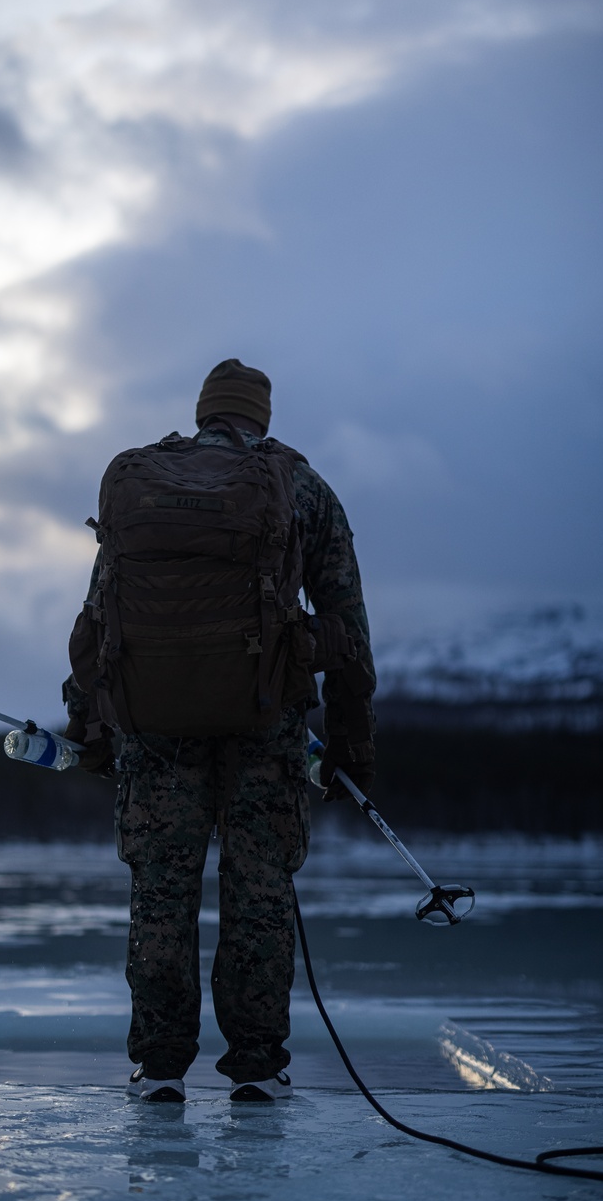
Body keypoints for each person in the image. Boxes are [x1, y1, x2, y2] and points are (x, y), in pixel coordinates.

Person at [62, 359, 375, 1103]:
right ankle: (257, 1064)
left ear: (202, 412)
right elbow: (347, 631)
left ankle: (160, 1064)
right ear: (261, 417)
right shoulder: (300, 487)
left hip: (155, 731)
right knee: (259, 890)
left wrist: (91, 725)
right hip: (264, 728)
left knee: (160, 894)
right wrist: (352, 746)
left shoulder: (146, 483)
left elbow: (99, 619)